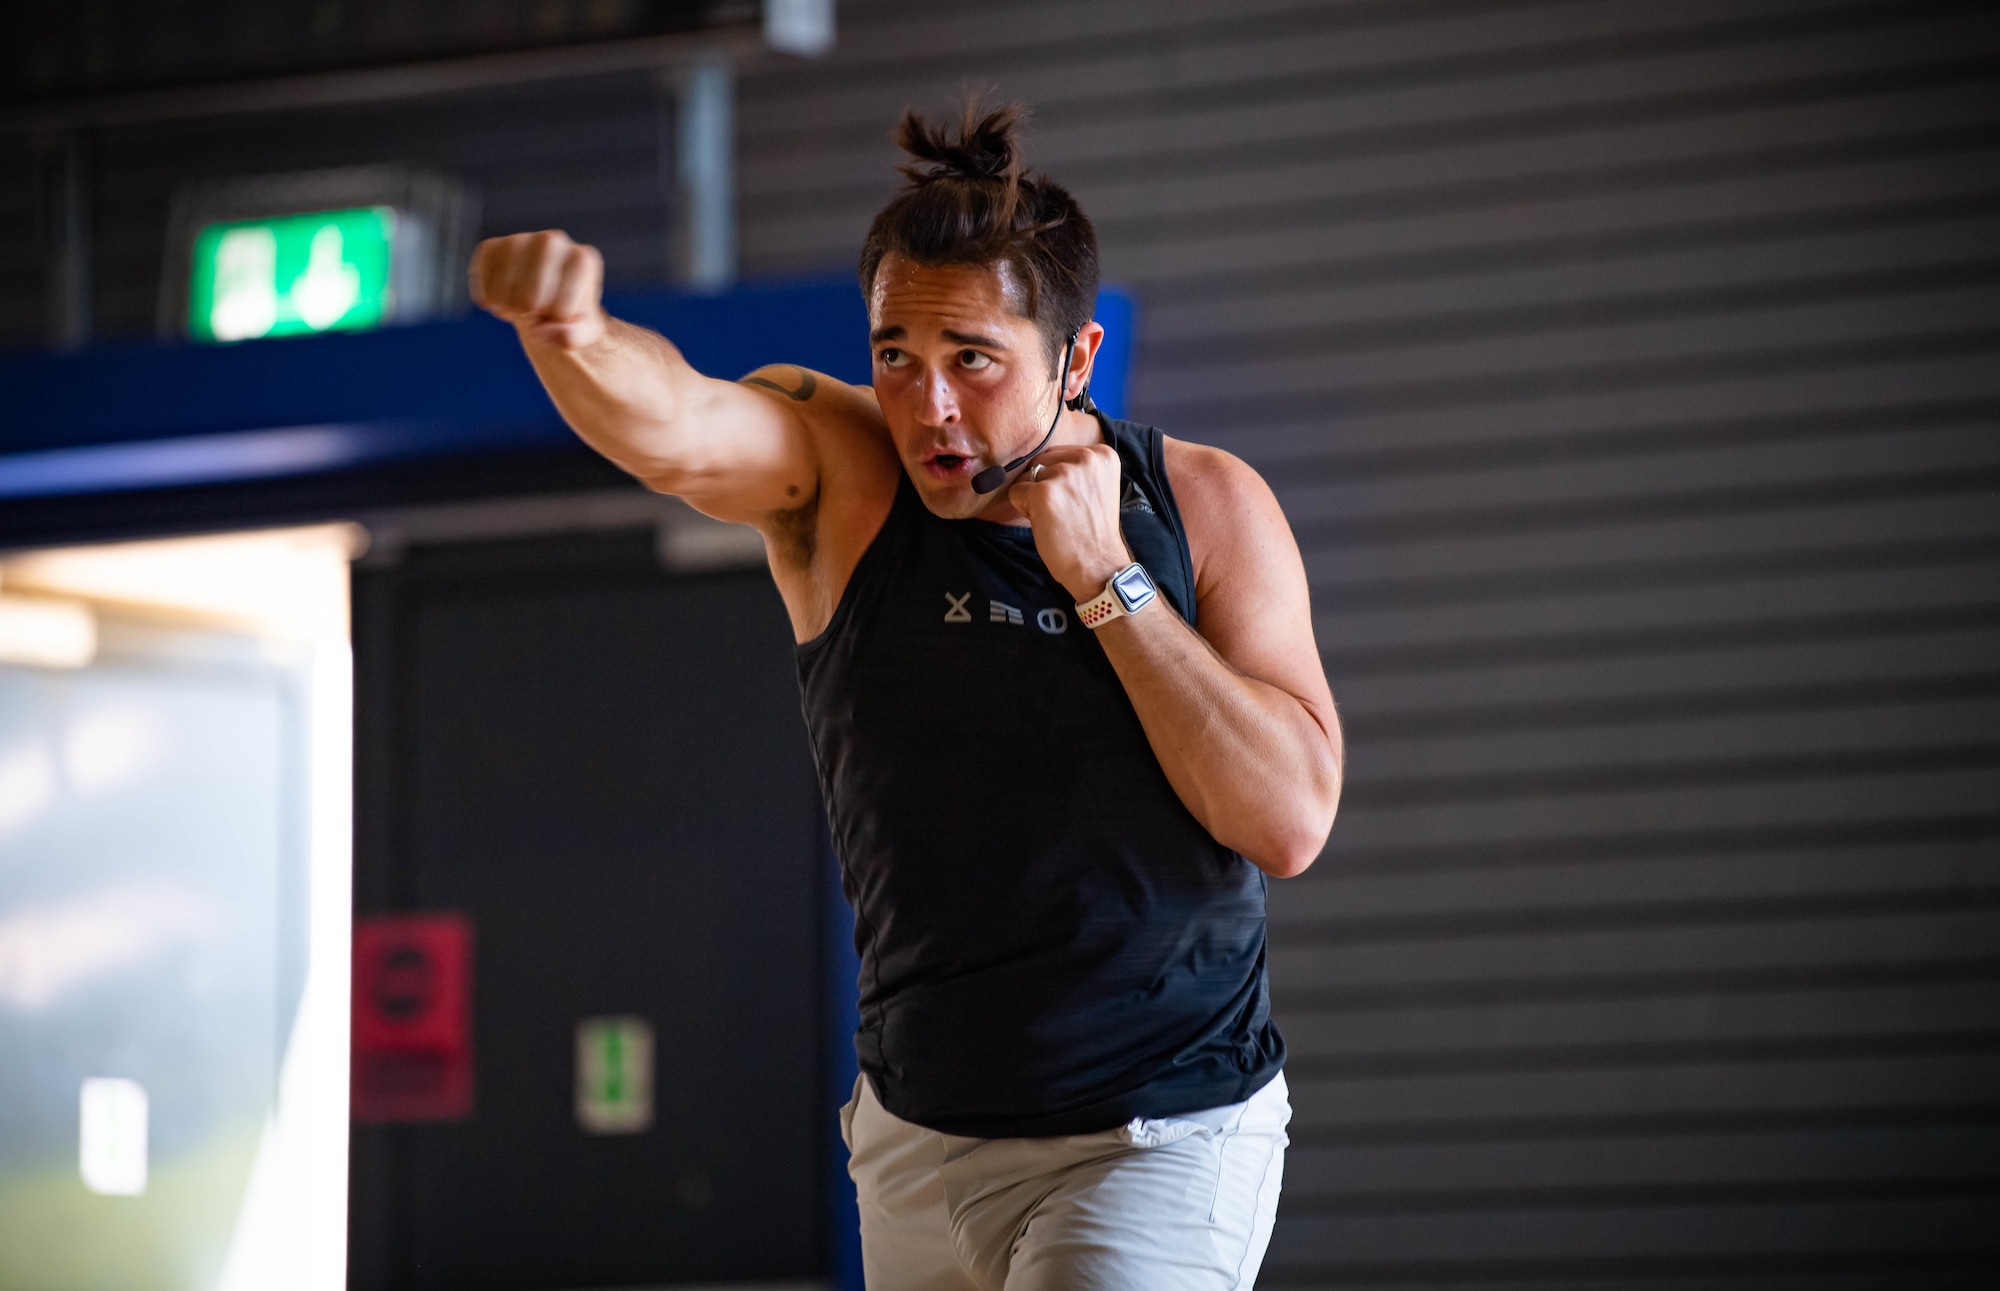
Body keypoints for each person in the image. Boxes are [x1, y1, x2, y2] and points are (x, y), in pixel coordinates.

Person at [471, 100, 1342, 1290]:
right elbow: (677, 423)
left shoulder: (1201, 506)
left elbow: (1288, 817)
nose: (927, 408)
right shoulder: (844, 476)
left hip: (1156, 1133)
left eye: (972, 361)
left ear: (1073, 359)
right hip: (918, 1144)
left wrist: (1107, 580)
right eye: (896, 356)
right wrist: (569, 333)